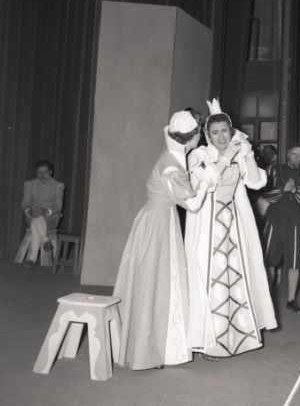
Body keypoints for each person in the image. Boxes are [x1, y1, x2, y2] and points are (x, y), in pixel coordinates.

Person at [112, 110, 219, 370]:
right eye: (198, 133)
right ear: (192, 137)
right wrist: (206, 180)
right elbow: (192, 203)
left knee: (160, 283)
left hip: (159, 219)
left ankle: (161, 347)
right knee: (155, 284)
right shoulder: (170, 164)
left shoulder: (173, 152)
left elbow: (169, 133)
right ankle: (148, 350)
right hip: (157, 225)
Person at [185, 98, 277, 359]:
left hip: (233, 224)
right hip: (208, 225)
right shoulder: (199, 156)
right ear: (207, 135)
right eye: (215, 132)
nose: (221, 137)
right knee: (211, 280)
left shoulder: (238, 152)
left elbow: (256, 182)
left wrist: (247, 154)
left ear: (231, 130)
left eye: (224, 131)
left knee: (234, 278)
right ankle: (209, 342)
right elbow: (205, 182)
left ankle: (235, 338)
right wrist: (225, 158)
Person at [262, 145, 300, 313]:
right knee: (269, 260)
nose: (297, 157)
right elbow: (265, 194)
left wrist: (296, 190)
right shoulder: (273, 170)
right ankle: (267, 298)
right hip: (274, 220)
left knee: (295, 263)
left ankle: (291, 300)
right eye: (294, 153)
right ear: (288, 154)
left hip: (296, 222)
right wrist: (283, 190)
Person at [14, 160, 65, 267]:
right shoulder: (30, 184)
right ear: (36, 172)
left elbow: (58, 207)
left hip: (51, 217)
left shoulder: (57, 186)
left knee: (36, 222)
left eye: (45, 172)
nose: (42, 175)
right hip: (33, 214)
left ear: (50, 172)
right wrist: (29, 210)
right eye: (39, 172)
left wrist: (47, 211)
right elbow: (25, 204)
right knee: (36, 219)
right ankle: (45, 240)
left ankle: (32, 258)